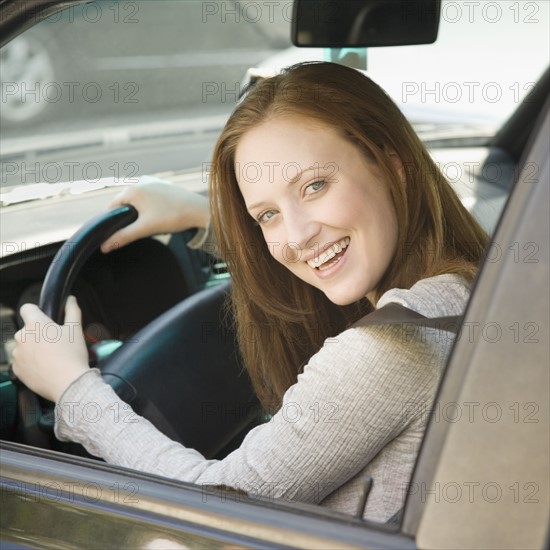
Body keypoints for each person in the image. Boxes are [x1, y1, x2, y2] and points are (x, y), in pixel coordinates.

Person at [12, 62, 488, 522]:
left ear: (392, 166)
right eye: (266, 215)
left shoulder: (390, 350)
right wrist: (203, 217)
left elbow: (217, 508)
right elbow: (311, 243)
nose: (297, 237)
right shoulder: (476, 282)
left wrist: (72, 387)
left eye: (315, 185)